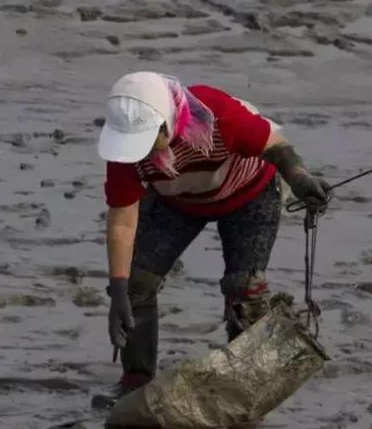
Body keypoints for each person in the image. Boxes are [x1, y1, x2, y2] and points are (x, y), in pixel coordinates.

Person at [98, 71, 331, 395]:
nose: (140, 153)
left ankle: (248, 382)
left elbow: (275, 146)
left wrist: (299, 178)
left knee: (245, 288)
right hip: (176, 201)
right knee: (138, 284)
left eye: (147, 143)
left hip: (249, 193)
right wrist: (119, 289)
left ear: (166, 124)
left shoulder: (218, 115)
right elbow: (123, 218)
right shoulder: (125, 155)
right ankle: (136, 380)